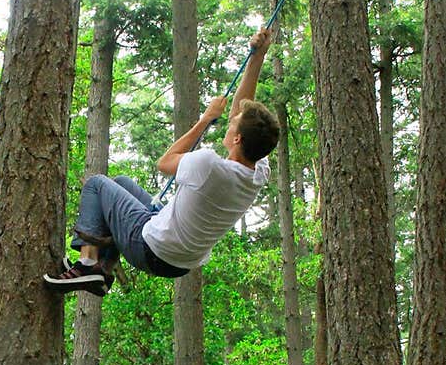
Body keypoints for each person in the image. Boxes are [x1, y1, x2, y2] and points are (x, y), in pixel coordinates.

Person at [44, 26, 279, 297]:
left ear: (237, 139)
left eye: (232, 124)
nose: (230, 120)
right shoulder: (258, 170)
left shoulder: (210, 167)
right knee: (120, 183)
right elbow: (243, 108)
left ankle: (87, 265)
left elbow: (165, 162)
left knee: (97, 185)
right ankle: (103, 267)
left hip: (153, 250)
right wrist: (258, 56)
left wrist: (205, 120)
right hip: (181, 261)